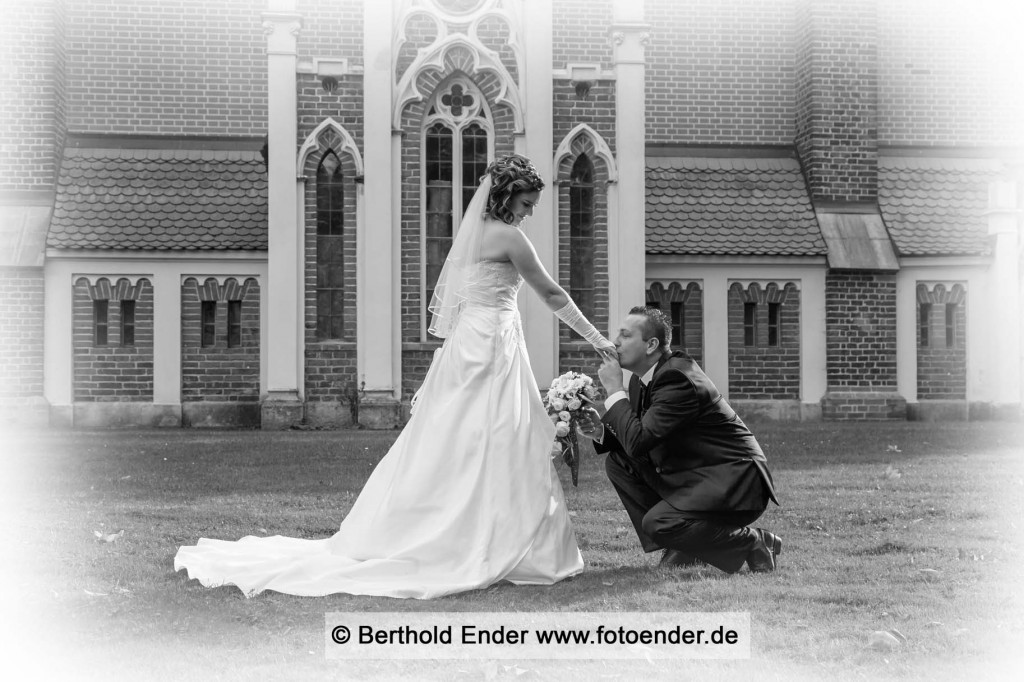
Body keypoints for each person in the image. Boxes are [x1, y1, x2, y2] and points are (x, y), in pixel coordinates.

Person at [175, 154, 615, 598]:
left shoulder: (472, 235)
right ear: (505, 197)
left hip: (468, 342)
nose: (529, 212)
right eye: (526, 203)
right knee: (498, 436)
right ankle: (499, 539)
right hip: (495, 344)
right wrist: (597, 337)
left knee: (456, 439)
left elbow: (464, 301)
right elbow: (551, 292)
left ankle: (454, 527)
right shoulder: (510, 238)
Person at [577, 306, 781, 574]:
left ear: (651, 345)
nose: (615, 342)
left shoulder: (677, 377)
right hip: (697, 473)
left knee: (658, 522)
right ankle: (682, 542)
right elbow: (640, 438)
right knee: (619, 462)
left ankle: (754, 540)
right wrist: (599, 431)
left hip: (736, 482)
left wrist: (615, 390)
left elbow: (639, 440)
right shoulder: (642, 380)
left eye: (625, 336)